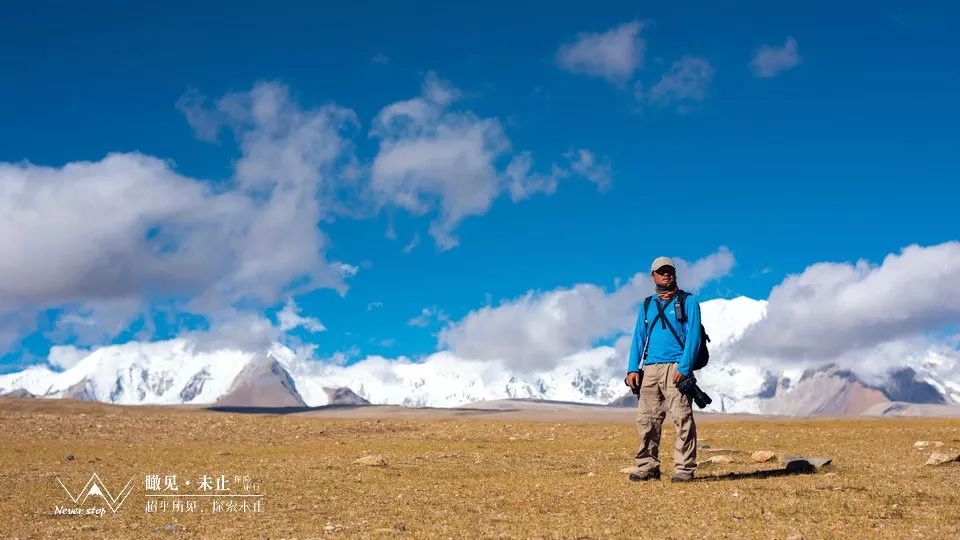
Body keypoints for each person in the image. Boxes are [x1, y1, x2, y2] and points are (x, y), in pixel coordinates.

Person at [624, 256, 702, 482]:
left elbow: (694, 338)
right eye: (661, 271)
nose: (666, 274)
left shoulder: (689, 301)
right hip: (649, 368)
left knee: (682, 418)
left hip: (676, 367)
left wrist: (685, 366)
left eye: (669, 270)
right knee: (647, 420)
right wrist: (632, 369)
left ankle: (684, 470)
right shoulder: (647, 304)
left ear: (674, 273)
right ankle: (647, 466)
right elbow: (638, 338)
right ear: (653, 275)